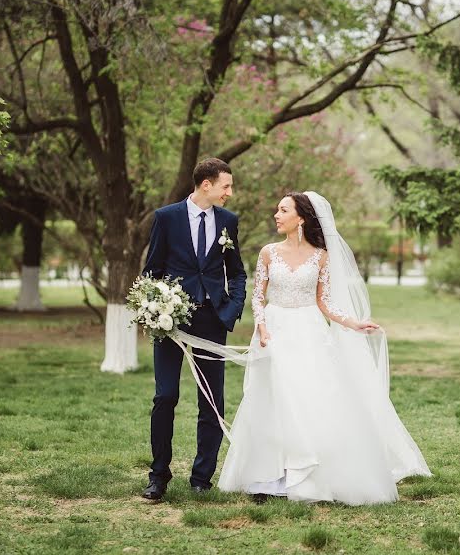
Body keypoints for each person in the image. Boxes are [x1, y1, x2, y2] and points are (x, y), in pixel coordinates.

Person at [218, 191, 430, 505]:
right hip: (274, 330)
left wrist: (354, 323)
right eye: (277, 210)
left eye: (283, 210)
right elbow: (258, 297)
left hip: (309, 331)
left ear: (300, 217)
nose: (276, 215)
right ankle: (267, 477)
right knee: (272, 398)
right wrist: (262, 328)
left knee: (309, 398)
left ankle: (310, 474)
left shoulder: (321, 256)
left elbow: (325, 303)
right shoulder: (267, 252)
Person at [140, 158, 247, 500]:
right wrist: (155, 309)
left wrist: (231, 308)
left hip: (211, 320)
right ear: (206, 185)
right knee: (165, 396)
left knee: (212, 401)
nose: (230, 192)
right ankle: (158, 475)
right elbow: (151, 270)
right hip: (171, 322)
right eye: (226, 186)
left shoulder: (228, 221)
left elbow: (238, 271)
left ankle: (202, 478)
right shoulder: (166, 218)